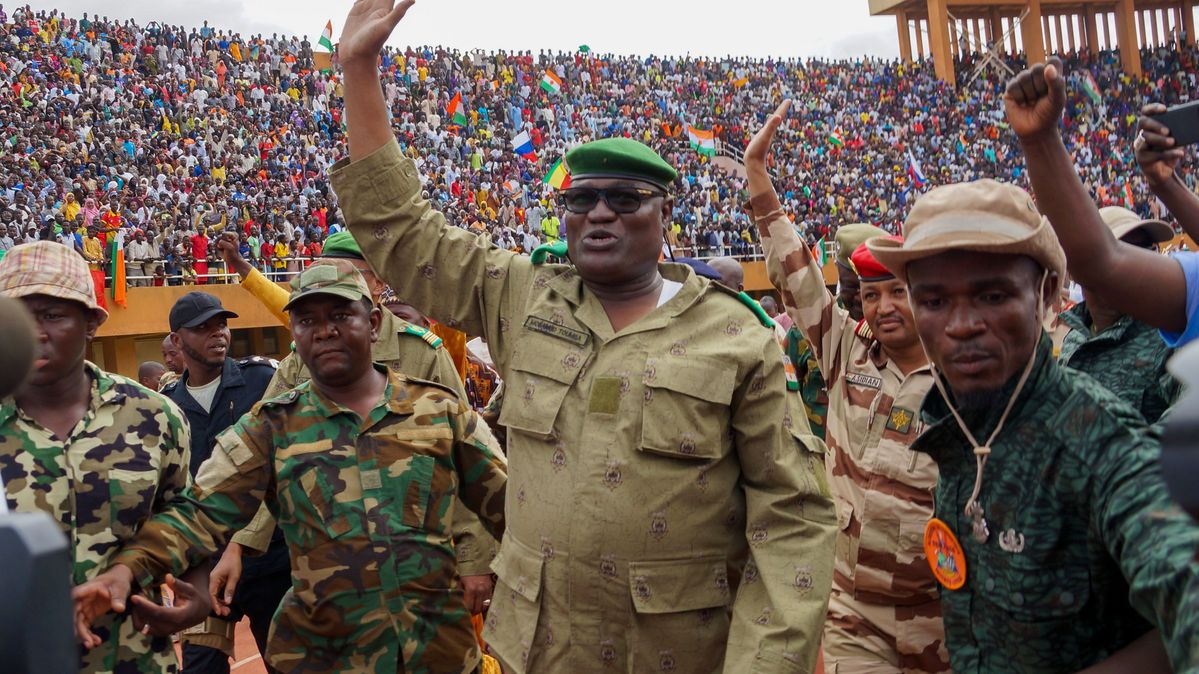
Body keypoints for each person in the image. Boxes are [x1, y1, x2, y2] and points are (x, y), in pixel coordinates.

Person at [333, 3, 836, 671]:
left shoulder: (734, 333)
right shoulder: (520, 295)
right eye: (580, 199)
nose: (599, 212)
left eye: (626, 199)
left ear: (664, 217)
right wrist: (358, 70)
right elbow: (400, 229)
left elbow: (792, 516)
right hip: (538, 651)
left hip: (675, 657)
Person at [72, 261, 509, 674]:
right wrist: (127, 569)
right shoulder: (271, 426)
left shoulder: (439, 411)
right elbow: (199, 511)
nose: (324, 331)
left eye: (340, 314)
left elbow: (512, 508)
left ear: (373, 323)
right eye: (307, 321)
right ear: (294, 334)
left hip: (439, 653)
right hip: (325, 657)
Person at [866, 175, 1199, 672]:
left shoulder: (1100, 444)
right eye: (935, 302)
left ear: (1045, 292)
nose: (961, 325)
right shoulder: (959, 421)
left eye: (993, 296)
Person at [747, 101, 947, 673]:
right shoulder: (846, 351)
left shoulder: (966, 377)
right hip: (853, 612)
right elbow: (795, 270)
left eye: (898, 292)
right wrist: (758, 178)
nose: (883, 307)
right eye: (871, 294)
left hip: (944, 614)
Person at [216, 230, 501, 615]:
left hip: (422, 568)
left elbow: (467, 464)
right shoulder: (299, 363)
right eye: (320, 273)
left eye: (347, 274)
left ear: (378, 286)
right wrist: (239, 542)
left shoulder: (424, 354)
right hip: (334, 574)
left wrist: (473, 559)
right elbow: (259, 463)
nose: (330, 286)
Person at [0, 241, 207, 672]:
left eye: (53, 315)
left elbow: (186, 513)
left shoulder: (153, 415)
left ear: (91, 322)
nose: (35, 332)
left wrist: (197, 597)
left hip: (134, 657)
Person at [1004, 59, 1196, 348]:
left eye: (1148, 249)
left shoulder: (1150, 333)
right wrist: (1040, 141)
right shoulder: (1070, 343)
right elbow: (1100, 263)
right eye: (1132, 247)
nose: (1145, 259)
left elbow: (1100, 263)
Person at [162, 291, 288, 673]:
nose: (218, 333)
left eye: (222, 324)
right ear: (177, 341)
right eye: (204, 328)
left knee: (286, 663)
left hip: (271, 561)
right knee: (199, 666)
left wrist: (240, 543)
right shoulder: (168, 404)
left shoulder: (262, 379)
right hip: (206, 568)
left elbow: (280, 469)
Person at [1058, 207, 1180, 424]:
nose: (1142, 262)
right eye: (1124, 250)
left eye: (1148, 250)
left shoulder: (1172, 337)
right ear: (1082, 268)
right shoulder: (1075, 338)